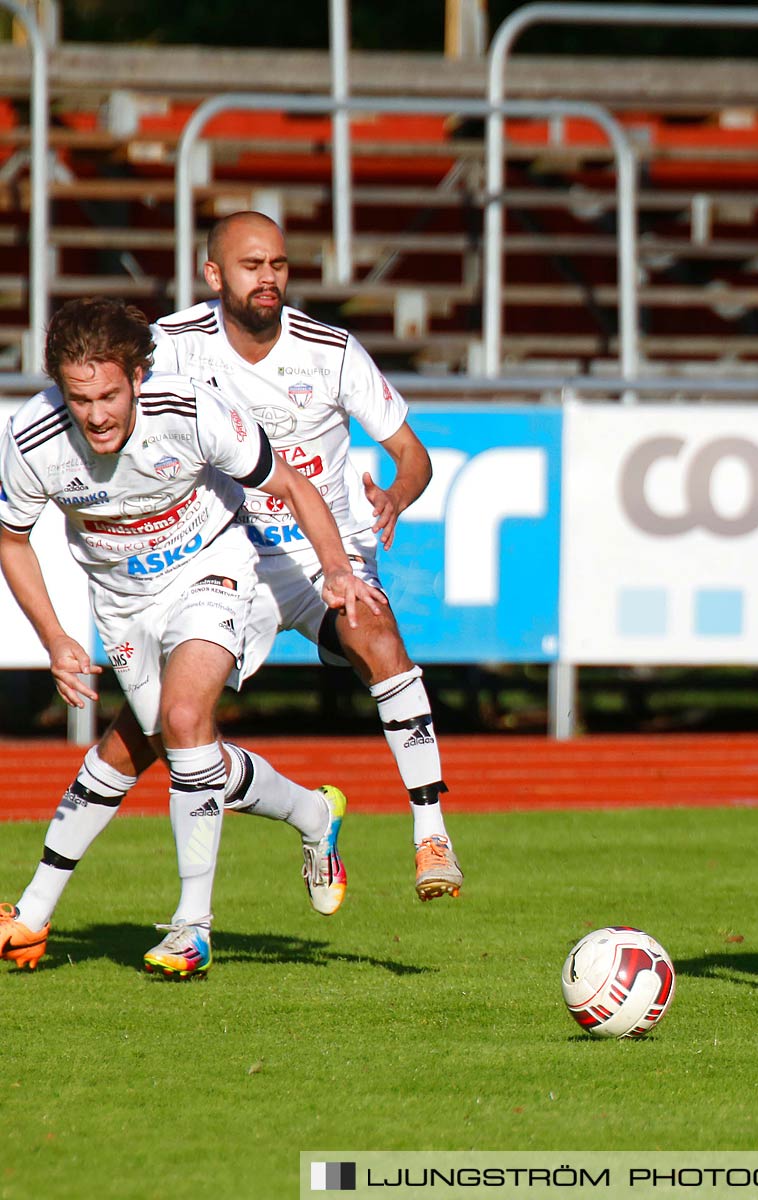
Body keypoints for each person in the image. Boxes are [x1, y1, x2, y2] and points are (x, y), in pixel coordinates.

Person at [0, 212, 461, 953]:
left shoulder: (330, 351)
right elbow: (21, 523)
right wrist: (56, 636)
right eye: (251, 264)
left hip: (288, 553)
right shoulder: (165, 348)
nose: (268, 276)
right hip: (191, 564)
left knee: (369, 630)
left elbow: (408, 455)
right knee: (161, 737)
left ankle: (430, 832)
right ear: (214, 276)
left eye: (277, 262)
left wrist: (379, 518)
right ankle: (312, 814)